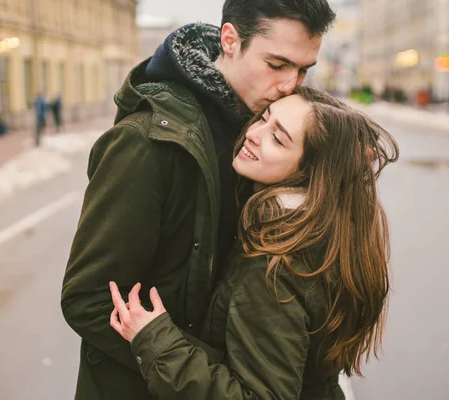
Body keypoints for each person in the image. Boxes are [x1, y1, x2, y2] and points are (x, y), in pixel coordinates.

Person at [60, 1, 337, 399]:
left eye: (304, 69)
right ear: (229, 40)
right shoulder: (147, 142)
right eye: (277, 65)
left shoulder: (267, 132)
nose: (291, 84)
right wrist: (231, 376)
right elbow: (88, 299)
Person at [109, 88, 399, 399]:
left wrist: (155, 341)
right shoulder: (325, 234)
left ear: (308, 173)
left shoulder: (276, 264)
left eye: (278, 138)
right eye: (264, 118)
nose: (254, 133)